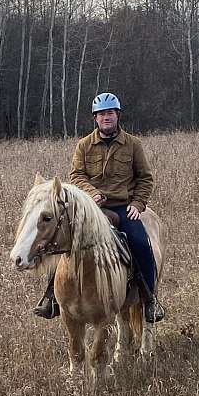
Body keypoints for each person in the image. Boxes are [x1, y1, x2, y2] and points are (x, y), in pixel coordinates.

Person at [34, 92, 164, 323]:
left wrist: (138, 203)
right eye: (102, 114)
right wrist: (92, 194)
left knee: (141, 243)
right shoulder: (84, 145)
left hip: (124, 208)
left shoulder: (133, 144)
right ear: (95, 118)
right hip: (91, 209)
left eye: (110, 113)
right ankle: (51, 298)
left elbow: (145, 178)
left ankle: (149, 298)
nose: (107, 117)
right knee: (64, 241)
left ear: (117, 116)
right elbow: (76, 175)